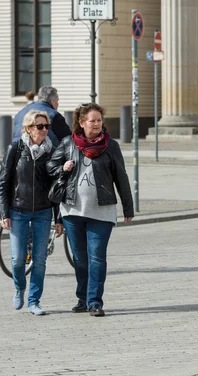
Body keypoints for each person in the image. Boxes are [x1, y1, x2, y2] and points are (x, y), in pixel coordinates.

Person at [47, 103, 134, 316]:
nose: (96, 124)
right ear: (82, 123)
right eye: (92, 120)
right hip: (72, 211)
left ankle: (95, 302)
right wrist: (63, 167)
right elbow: (49, 167)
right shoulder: (68, 144)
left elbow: (121, 177)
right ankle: (82, 298)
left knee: (97, 257)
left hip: (102, 211)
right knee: (80, 258)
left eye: (99, 120)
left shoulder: (111, 146)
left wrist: (128, 206)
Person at [0, 110, 64, 315]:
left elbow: (56, 188)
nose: (44, 130)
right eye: (40, 126)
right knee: (18, 259)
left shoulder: (51, 151)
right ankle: (19, 287)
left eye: (47, 126)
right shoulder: (16, 149)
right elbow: (3, 182)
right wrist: (4, 213)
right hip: (18, 211)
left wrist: (58, 218)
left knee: (40, 259)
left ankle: (34, 301)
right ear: (28, 128)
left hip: (43, 212)